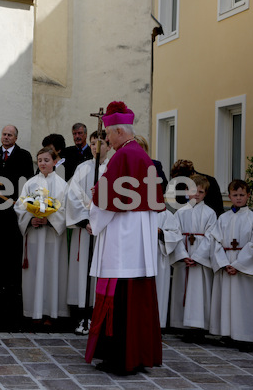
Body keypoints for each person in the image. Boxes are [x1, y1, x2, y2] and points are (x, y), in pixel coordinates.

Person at [84, 101, 164, 375]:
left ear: (119, 131)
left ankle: (120, 359)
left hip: (122, 239)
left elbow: (106, 202)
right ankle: (137, 356)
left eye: (108, 133)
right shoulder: (141, 155)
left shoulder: (121, 157)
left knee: (119, 299)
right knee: (135, 300)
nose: (106, 138)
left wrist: (93, 219)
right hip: (138, 240)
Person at [0, 125, 34, 328]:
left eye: (9, 135)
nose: (6, 137)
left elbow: (27, 183)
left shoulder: (23, 156)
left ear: (16, 137)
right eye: (3, 134)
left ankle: (12, 298)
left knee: (12, 255)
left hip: (14, 212)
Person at [15, 147, 69, 325]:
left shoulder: (63, 185)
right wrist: (31, 220)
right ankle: (32, 311)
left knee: (51, 271)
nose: (42, 163)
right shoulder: (30, 183)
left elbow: (66, 210)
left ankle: (51, 312)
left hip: (53, 237)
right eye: (39, 160)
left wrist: (50, 219)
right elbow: (20, 207)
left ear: (54, 162)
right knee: (34, 271)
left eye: (46, 160)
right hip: (35, 237)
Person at [66, 130, 110, 334]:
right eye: (92, 143)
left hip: (104, 230)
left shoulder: (112, 169)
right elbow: (73, 195)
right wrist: (85, 220)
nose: (95, 147)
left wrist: (99, 221)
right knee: (82, 269)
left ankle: (97, 315)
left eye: (100, 143)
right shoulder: (82, 168)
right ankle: (81, 315)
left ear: (108, 146)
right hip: (85, 228)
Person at [209, 179, 253, 347]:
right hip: (226, 262)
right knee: (226, 299)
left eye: (242, 195)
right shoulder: (223, 218)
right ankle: (227, 333)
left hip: (243, 264)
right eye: (235, 195)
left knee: (244, 300)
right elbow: (215, 241)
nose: (238, 198)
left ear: (248, 196)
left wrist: (238, 265)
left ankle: (245, 335)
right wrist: (224, 263)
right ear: (229, 196)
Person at [169, 174, 216, 339]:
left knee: (199, 291)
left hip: (199, 260)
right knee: (183, 289)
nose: (197, 194)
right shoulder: (180, 213)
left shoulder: (210, 213)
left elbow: (211, 237)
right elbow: (174, 235)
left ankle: (199, 327)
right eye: (194, 190)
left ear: (205, 194)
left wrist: (197, 257)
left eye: (201, 192)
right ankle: (182, 325)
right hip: (184, 258)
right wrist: (182, 255)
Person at [155, 208, 182, 328]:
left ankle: (157, 325)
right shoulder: (138, 212)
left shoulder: (166, 214)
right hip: (140, 258)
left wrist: (161, 233)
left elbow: (175, 234)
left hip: (159, 255)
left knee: (159, 290)